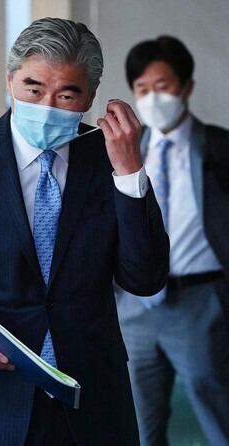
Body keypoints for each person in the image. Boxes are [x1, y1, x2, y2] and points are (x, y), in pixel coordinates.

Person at [0, 17, 170, 446]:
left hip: (91, 409)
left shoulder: (110, 161)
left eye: (66, 94)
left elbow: (145, 278)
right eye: (33, 89)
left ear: (90, 97)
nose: (46, 105)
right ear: (9, 82)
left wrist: (130, 172)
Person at [116, 36, 229, 446]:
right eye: (142, 89)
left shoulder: (219, 147)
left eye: (162, 86)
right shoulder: (123, 153)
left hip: (200, 301)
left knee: (216, 405)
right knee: (138, 423)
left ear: (186, 87)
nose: (152, 98)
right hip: (135, 308)